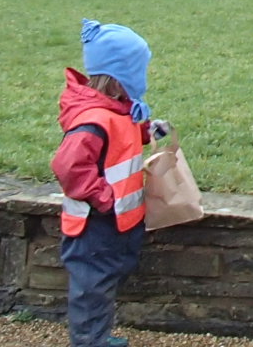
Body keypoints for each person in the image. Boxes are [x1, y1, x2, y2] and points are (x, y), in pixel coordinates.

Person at [52, 18, 166, 347]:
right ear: (119, 79)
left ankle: (97, 336)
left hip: (115, 220)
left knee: (103, 281)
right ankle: (90, 342)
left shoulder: (117, 111)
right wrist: (104, 198)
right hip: (95, 224)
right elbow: (69, 165)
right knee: (92, 287)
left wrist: (147, 131)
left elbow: (121, 140)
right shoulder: (95, 119)